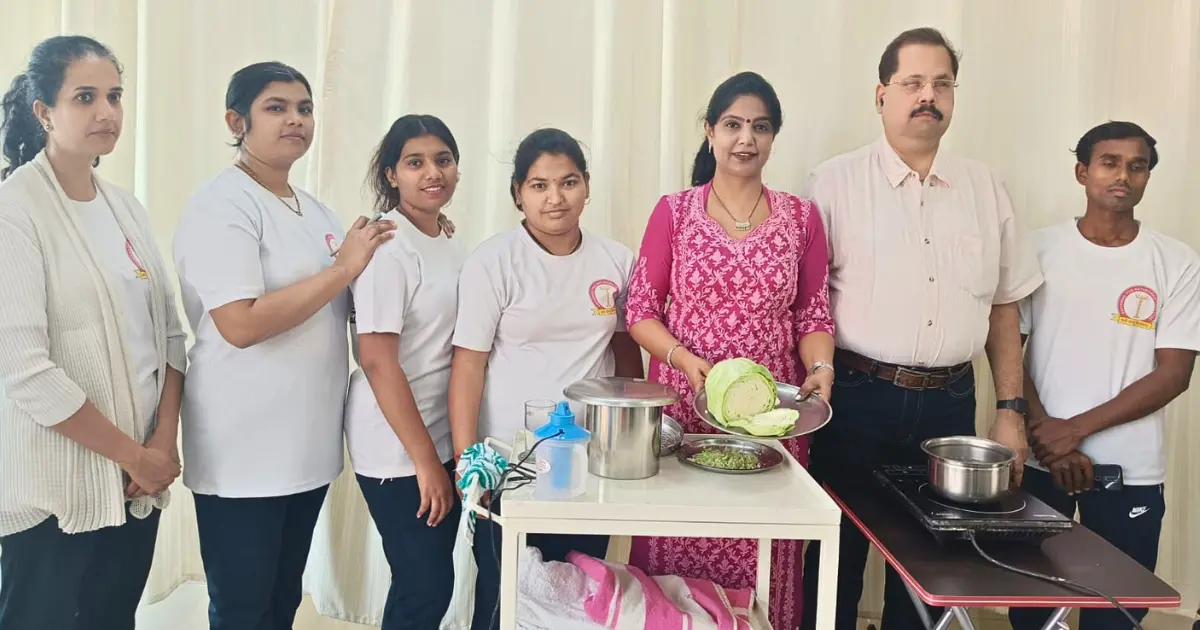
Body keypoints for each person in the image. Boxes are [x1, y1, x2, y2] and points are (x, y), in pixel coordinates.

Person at [799, 28, 1044, 630]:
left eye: (941, 83)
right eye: (912, 83)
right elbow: (805, 303)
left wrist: (1009, 410)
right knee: (835, 559)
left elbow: (1004, 307)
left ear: (954, 96)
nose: (926, 96)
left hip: (950, 404)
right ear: (881, 95)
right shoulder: (833, 183)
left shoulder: (987, 189)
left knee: (935, 567)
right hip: (854, 399)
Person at [172, 61, 396, 630]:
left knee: (281, 601)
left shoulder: (315, 211)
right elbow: (240, 325)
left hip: (306, 449)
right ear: (236, 120)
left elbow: (343, 308)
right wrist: (345, 266)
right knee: (243, 608)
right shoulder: (222, 205)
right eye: (277, 107)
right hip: (243, 451)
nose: (295, 119)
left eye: (304, 108)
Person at [623, 70, 835, 630]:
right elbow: (640, 311)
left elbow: (813, 314)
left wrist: (820, 367)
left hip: (771, 421)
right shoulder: (674, 211)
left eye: (760, 128)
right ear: (710, 132)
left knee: (765, 555)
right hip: (684, 414)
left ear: (773, 137)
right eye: (734, 125)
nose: (746, 139)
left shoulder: (801, 218)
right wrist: (683, 360)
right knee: (679, 553)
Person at [0, 35, 187, 628]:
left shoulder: (126, 208)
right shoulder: (15, 211)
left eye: (114, 96)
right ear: (44, 111)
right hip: (57, 492)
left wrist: (161, 445)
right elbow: (23, 369)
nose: (107, 112)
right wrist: (134, 453)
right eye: (85, 97)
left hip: (138, 486)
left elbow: (172, 340)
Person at [448, 127, 644, 629]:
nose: (555, 198)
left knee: (577, 593)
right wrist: (470, 460)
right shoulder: (494, 262)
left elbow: (626, 357)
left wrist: (628, 445)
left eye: (568, 182)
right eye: (539, 185)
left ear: (587, 186)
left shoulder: (616, 261)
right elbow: (468, 365)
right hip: (511, 462)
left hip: (589, 459)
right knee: (504, 595)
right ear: (518, 192)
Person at [1009, 122, 1199, 629]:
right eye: (1110, 162)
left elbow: (1174, 374)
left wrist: (1075, 430)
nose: (1124, 175)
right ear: (1082, 171)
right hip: (1041, 462)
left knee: (1116, 617)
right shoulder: (1038, 250)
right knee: (1031, 614)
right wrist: (1049, 435)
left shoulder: (1176, 262)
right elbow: (1009, 352)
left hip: (1130, 473)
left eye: (1137, 166)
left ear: (1147, 178)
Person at [343, 114, 465, 629]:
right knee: (424, 587)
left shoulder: (440, 237)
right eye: (415, 163)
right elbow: (375, 358)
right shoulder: (387, 248)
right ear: (392, 174)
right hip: (397, 447)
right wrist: (424, 462)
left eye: (442, 160)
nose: (432, 172)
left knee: (431, 583)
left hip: (437, 433)